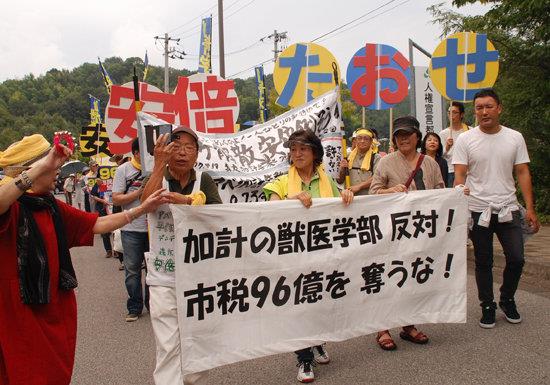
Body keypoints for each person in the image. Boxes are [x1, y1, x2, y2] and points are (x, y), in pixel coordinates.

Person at [0, 134, 167, 385]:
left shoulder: (49, 205)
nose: (57, 171)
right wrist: (41, 168)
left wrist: (141, 210)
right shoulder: (11, 209)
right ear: (31, 171)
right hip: (18, 311)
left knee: (53, 373)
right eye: (52, 165)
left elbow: (97, 223)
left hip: (53, 305)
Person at [263, 129, 354, 383]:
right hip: (291, 259)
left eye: (303, 148)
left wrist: (347, 197)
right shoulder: (281, 182)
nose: (297, 154)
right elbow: (268, 209)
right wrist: (290, 201)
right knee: (298, 307)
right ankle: (304, 357)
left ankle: (318, 341)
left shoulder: (329, 182)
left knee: (320, 303)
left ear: (315, 152)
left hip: (323, 256)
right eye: (293, 149)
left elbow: (342, 211)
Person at [452, 88, 540, 328]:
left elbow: (522, 172)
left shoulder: (514, 137)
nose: (483, 112)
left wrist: (530, 208)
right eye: (479, 108)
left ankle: (507, 299)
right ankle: (487, 305)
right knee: (483, 261)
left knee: (517, 258)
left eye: (488, 106)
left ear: (499, 108)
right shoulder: (466, 139)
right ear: (475, 111)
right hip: (478, 209)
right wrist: (460, 194)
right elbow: (459, 173)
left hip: (508, 208)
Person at [141, 126, 222, 385]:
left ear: (197, 154)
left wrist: (186, 202)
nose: (183, 153)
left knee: (199, 339)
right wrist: (157, 165)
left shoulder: (203, 180)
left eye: (189, 147)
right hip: (164, 275)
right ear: (167, 151)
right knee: (167, 343)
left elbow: (218, 214)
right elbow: (146, 203)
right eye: (176, 146)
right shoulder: (158, 176)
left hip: (199, 275)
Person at [369, 116, 444, 350]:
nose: (403, 138)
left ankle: (408, 325)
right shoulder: (385, 162)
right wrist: (390, 190)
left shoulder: (430, 163)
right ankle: (383, 328)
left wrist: (458, 195)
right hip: (392, 233)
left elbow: (441, 192)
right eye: (398, 135)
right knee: (389, 278)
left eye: (407, 134)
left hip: (421, 232)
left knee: (413, 278)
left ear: (417, 136)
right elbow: (373, 193)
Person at [112, 137, 150, 322]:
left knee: (153, 270)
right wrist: (138, 193)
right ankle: (134, 307)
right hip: (131, 229)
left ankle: (152, 305)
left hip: (154, 229)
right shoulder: (123, 170)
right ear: (136, 153)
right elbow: (116, 199)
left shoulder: (156, 169)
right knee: (133, 270)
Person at [337, 128, 381, 195]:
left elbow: (377, 178)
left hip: (368, 198)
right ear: (355, 140)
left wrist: (359, 187)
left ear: (371, 141)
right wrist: (342, 168)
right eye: (359, 138)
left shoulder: (376, 157)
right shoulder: (347, 156)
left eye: (366, 139)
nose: (362, 141)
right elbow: (340, 181)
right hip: (349, 197)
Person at [439, 101, 470, 187]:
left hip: (468, 170)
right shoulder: (444, 133)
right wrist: (447, 147)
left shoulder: (470, 130)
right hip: (451, 170)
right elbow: (440, 154)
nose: (451, 115)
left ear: (462, 114)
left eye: (454, 112)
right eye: (449, 113)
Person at [110, 153, 130, 270]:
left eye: (119, 158)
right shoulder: (120, 171)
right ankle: (122, 260)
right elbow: (116, 197)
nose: (118, 161)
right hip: (120, 209)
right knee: (119, 235)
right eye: (116, 159)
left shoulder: (136, 169)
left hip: (135, 213)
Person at [90, 178, 113, 258]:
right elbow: (93, 196)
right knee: (104, 231)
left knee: (115, 230)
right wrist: (102, 201)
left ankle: (117, 250)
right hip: (102, 209)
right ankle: (108, 250)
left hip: (113, 208)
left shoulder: (113, 180)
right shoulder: (97, 184)